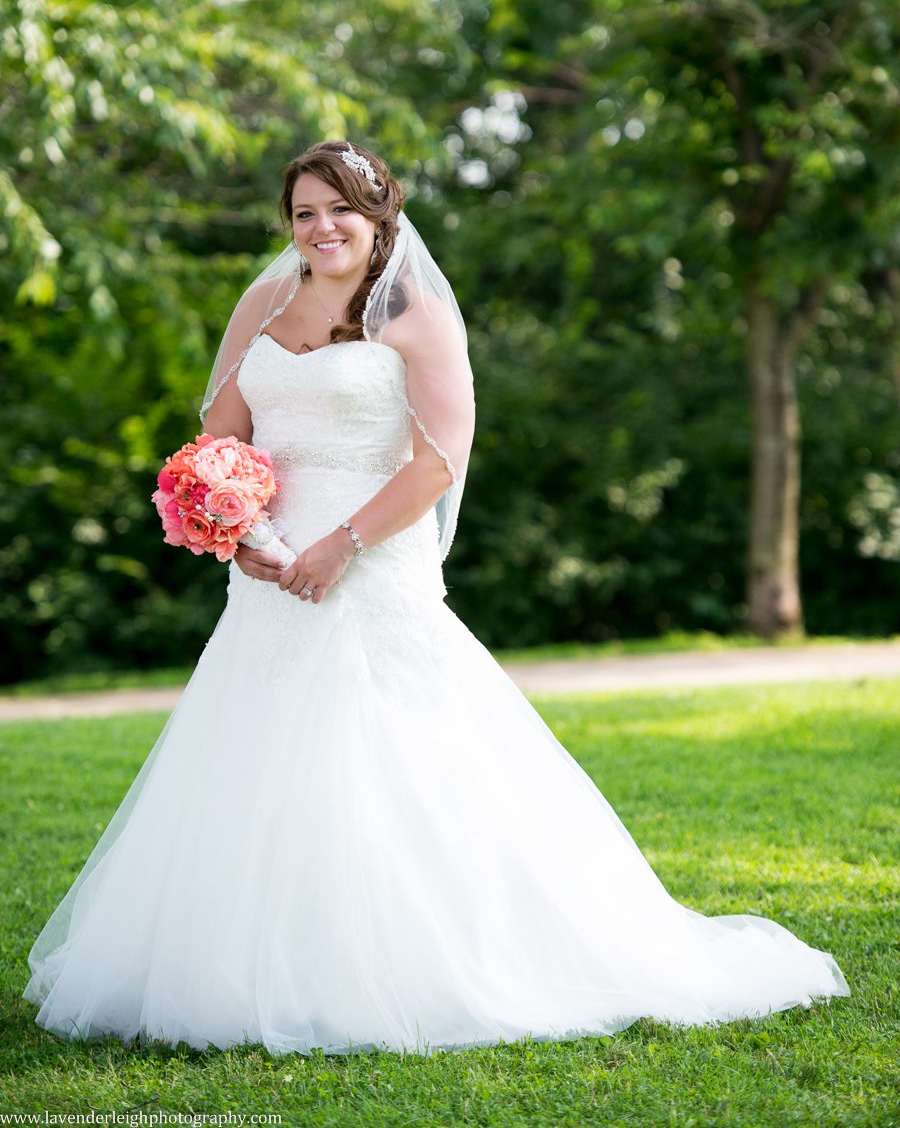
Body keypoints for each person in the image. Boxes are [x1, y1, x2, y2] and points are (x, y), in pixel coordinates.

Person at [22, 140, 850, 1057]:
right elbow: (220, 433)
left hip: (371, 559)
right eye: (303, 212)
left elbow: (438, 460)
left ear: (380, 215)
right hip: (271, 572)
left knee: (392, 753)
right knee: (256, 753)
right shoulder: (263, 302)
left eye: (340, 208)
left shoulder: (413, 312)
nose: (321, 227)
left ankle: (419, 956)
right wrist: (241, 531)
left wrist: (342, 543)